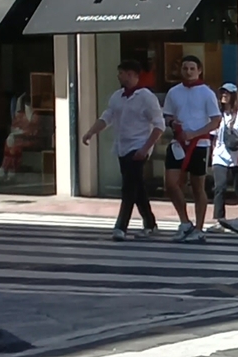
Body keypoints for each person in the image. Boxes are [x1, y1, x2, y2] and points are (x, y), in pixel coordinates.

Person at [84, 56, 166, 236]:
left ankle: (121, 226)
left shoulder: (146, 97)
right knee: (137, 187)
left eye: (122, 73)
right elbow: (107, 117)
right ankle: (150, 222)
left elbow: (159, 125)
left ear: (132, 74)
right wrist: (91, 132)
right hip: (122, 146)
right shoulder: (117, 96)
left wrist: (145, 149)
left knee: (128, 187)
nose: (119, 77)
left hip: (138, 146)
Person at [160, 53, 221, 241]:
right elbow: (167, 114)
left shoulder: (206, 93)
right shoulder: (174, 92)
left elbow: (216, 120)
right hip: (177, 142)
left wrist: (194, 134)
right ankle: (185, 221)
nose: (188, 72)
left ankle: (199, 228)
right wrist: (172, 123)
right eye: (185, 68)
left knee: (197, 187)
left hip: (199, 143)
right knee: (171, 183)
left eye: (192, 68)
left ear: (199, 70)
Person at [208, 83, 238, 229]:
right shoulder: (218, 115)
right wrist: (213, 153)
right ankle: (219, 220)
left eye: (227, 93)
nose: (224, 96)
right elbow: (215, 136)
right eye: (222, 93)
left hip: (236, 155)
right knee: (219, 187)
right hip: (220, 155)